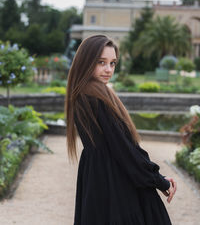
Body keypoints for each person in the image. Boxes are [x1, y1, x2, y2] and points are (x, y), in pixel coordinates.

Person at [65, 35, 177, 225]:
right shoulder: (97, 98)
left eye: (113, 63)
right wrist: (158, 180)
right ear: (86, 61)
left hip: (96, 178)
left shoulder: (81, 94)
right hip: (115, 180)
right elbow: (126, 150)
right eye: (101, 62)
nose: (108, 70)